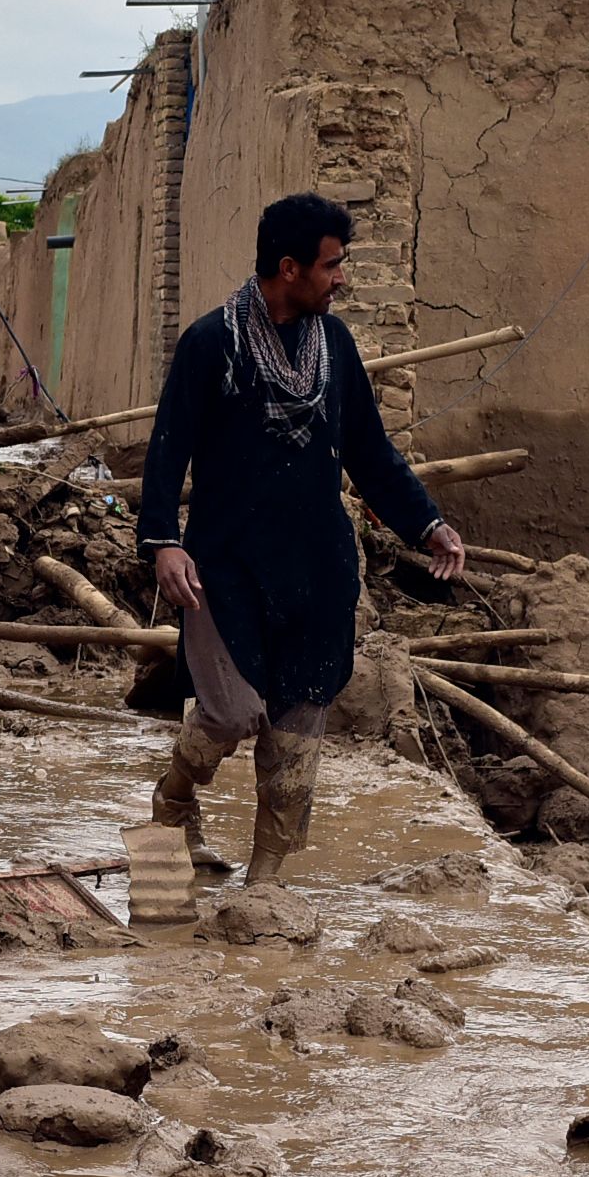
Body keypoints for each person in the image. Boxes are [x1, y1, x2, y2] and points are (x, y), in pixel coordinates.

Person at [138, 191, 467, 884]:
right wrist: (165, 543)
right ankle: (170, 803)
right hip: (224, 567)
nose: (340, 278)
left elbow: (371, 455)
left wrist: (427, 524)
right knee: (229, 713)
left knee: (296, 734)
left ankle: (262, 885)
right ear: (289, 268)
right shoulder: (212, 344)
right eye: (331, 265)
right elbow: (167, 453)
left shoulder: (335, 347)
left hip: (317, 569)